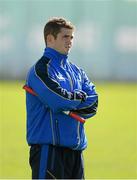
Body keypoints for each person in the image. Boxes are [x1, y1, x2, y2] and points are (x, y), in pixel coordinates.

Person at [24, 17, 98, 179]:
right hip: (49, 151)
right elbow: (58, 100)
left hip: (76, 153)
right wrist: (78, 98)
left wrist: (70, 101)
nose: (70, 41)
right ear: (50, 39)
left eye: (72, 37)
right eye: (65, 37)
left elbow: (93, 104)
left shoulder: (77, 71)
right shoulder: (40, 70)